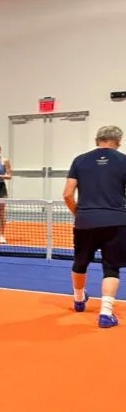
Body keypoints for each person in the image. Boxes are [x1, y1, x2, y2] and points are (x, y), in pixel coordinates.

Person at [62, 125, 126, 328]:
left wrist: (79, 214)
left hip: (85, 221)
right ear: (118, 141)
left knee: (80, 262)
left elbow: (67, 194)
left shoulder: (79, 160)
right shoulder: (123, 160)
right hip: (116, 221)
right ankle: (106, 313)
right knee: (111, 267)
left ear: (97, 139)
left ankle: (79, 299)